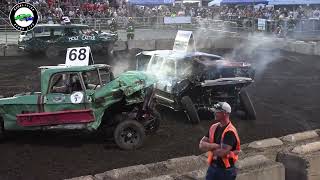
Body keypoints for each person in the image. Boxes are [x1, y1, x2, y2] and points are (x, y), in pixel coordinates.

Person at [199, 102, 240, 180]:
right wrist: (215, 145)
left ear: (224, 113)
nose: (214, 113)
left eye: (217, 111)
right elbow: (201, 145)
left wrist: (208, 147)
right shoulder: (213, 127)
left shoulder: (230, 132)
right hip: (212, 168)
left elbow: (221, 153)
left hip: (225, 171)